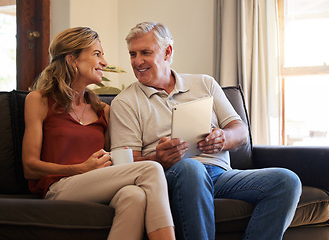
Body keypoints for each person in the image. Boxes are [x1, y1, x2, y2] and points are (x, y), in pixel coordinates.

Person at [109, 22, 302, 240]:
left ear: (168, 52)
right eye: (133, 54)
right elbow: (124, 165)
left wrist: (223, 138)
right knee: (191, 168)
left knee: (286, 181)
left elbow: (241, 132)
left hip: (220, 176)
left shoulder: (204, 83)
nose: (137, 61)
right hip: (169, 177)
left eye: (145, 52)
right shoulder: (125, 102)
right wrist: (157, 159)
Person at [21, 26, 175, 240]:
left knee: (135, 195)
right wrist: (80, 169)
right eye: (97, 54)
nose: (104, 62)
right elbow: (29, 167)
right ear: (72, 59)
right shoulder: (40, 100)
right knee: (151, 170)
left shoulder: (103, 110)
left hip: (97, 185)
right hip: (59, 188)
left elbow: (114, 160)